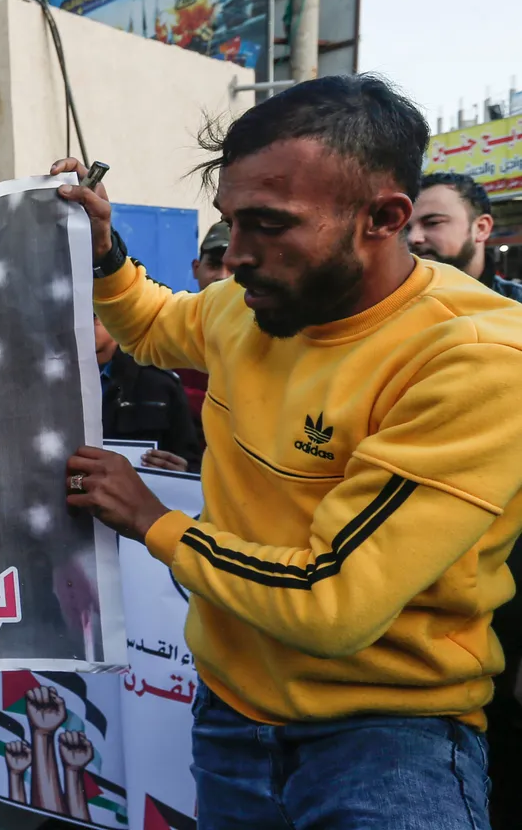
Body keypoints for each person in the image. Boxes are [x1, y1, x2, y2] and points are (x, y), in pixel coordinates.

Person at [57, 73, 522, 828]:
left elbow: (330, 600)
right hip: (228, 713)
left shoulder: (473, 358)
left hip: (384, 739)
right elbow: (152, 322)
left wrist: (152, 521)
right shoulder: (249, 307)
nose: (235, 256)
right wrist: (105, 251)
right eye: (231, 222)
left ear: (384, 217)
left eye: (269, 225)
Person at [409, 172, 522, 825]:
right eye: (410, 225)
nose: (418, 238)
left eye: (435, 222)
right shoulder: (395, 325)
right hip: (423, 618)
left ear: (482, 228)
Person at [94, 313, 201, 472]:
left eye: (92, 316)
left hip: (140, 492)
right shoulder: (49, 382)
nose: (80, 324)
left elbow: (193, 462)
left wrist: (184, 471)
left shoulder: (158, 384)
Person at [408, 172, 522, 300]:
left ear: (481, 228)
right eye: (406, 228)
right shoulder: (393, 306)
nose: (413, 238)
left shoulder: (516, 305)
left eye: (433, 223)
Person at [174, 221, 231, 454]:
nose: (223, 276)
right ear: (196, 267)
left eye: (233, 268)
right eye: (215, 265)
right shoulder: (171, 324)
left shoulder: (272, 333)